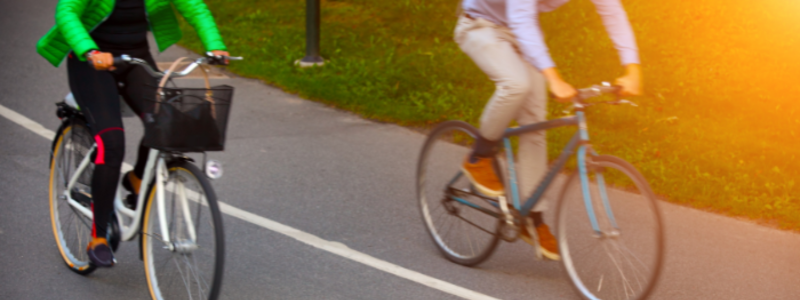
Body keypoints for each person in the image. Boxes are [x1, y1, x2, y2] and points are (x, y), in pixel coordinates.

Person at [37, 0, 230, 267]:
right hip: (91, 63)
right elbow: (67, 12)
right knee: (111, 142)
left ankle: (138, 178)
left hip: (136, 58)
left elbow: (194, 6)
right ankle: (98, 237)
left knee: (168, 121)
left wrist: (214, 43)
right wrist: (89, 50)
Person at [456, 0, 643, 260]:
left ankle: (532, 218)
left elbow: (612, 12)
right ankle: (479, 156)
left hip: (518, 32)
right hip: (480, 25)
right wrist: (554, 79)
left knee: (534, 122)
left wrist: (632, 69)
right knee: (516, 84)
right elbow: (522, 19)